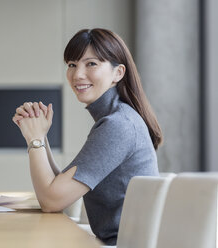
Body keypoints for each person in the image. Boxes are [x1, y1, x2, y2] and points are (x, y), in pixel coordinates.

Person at [12, 28, 162, 245]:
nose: (77, 74)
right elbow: (58, 188)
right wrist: (38, 136)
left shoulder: (118, 125)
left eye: (91, 64)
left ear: (118, 73)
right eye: (72, 65)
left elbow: (52, 201)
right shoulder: (116, 119)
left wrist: (35, 140)